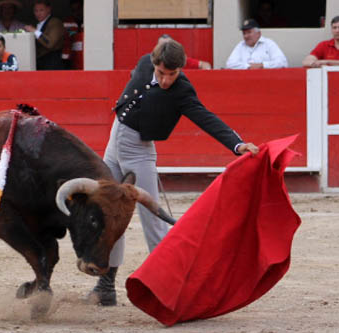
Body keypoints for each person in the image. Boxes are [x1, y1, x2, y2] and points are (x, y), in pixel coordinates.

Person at [87, 40, 259, 306]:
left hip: (140, 151)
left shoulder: (182, 91)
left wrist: (237, 144)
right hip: (114, 143)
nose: (166, 80)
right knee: (111, 216)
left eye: (172, 74)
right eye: (161, 73)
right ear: (154, 64)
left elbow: (206, 117)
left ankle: (175, 287)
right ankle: (106, 285)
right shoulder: (145, 62)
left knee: (153, 219)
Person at [24, 0, 65, 70]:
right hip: (40, 64)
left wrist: (34, 31)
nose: (38, 13)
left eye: (41, 10)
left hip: (52, 64)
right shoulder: (37, 24)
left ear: (48, 10)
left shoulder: (55, 22)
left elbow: (50, 43)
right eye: (36, 11)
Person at [62, 0, 84, 69]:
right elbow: (69, 37)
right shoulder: (67, 22)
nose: (76, 12)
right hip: (70, 58)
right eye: (73, 10)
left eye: (78, 9)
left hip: (86, 58)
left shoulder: (89, 20)